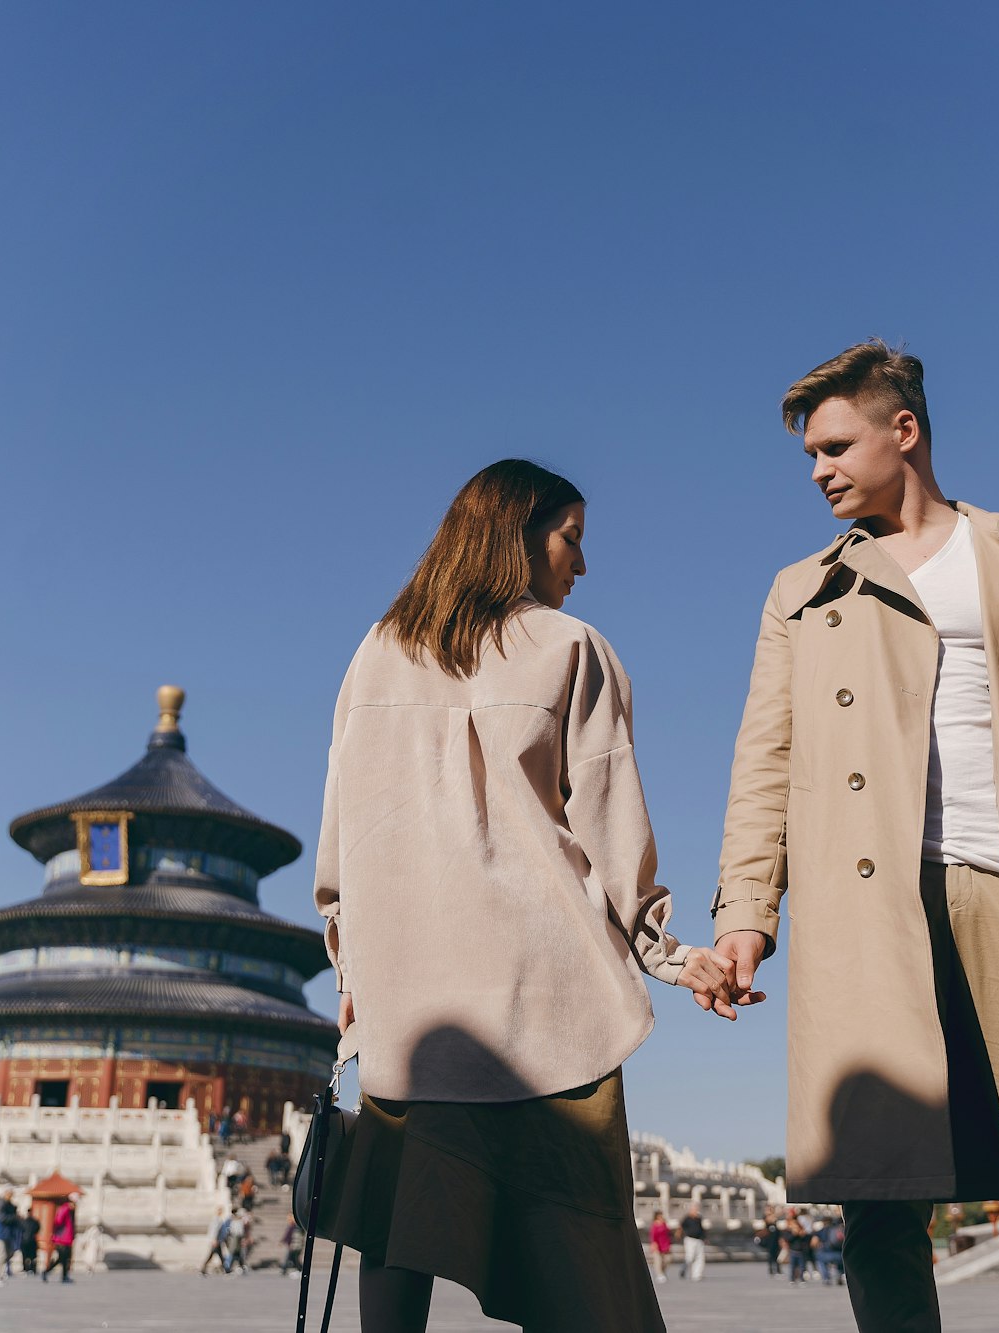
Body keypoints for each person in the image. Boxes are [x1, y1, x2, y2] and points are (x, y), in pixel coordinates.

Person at [712, 341, 999, 1333]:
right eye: (808, 455)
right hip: (866, 903)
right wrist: (745, 911)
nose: (817, 470)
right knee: (878, 1193)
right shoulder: (799, 590)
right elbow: (761, 764)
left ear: (900, 430)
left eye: (832, 446)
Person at [312, 459, 743, 1333]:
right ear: (516, 534)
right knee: (581, 1261)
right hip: (547, 1005)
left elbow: (343, 843)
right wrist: (668, 954)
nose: (580, 565)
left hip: (413, 1013)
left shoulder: (375, 651)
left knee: (397, 1245)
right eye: (570, 538)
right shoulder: (570, 647)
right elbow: (611, 827)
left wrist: (354, 966)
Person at [41, 1193, 76, 1283]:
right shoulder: (65, 1209)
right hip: (62, 1239)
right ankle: (47, 1271)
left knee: (65, 1259)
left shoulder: (70, 1211)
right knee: (61, 1258)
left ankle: (64, 1276)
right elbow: (58, 1220)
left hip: (67, 1239)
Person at [679, 1205, 706, 1282]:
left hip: (699, 1240)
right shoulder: (687, 1218)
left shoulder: (699, 1218)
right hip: (690, 1239)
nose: (695, 1212)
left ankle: (697, 1274)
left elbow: (701, 1228)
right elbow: (681, 1226)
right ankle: (684, 1268)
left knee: (700, 1257)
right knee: (690, 1256)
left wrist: (704, 1237)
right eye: (694, 1210)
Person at [648, 1211, 672, 1284]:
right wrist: (653, 1244)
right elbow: (652, 1235)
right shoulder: (654, 1225)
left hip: (665, 1244)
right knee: (658, 1260)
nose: (661, 1217)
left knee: (667, 1259)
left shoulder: (664, 1224)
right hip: (657, 1245)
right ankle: (659, 1274)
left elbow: (668, 1233)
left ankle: (662, 1272)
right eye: (660, 1215)